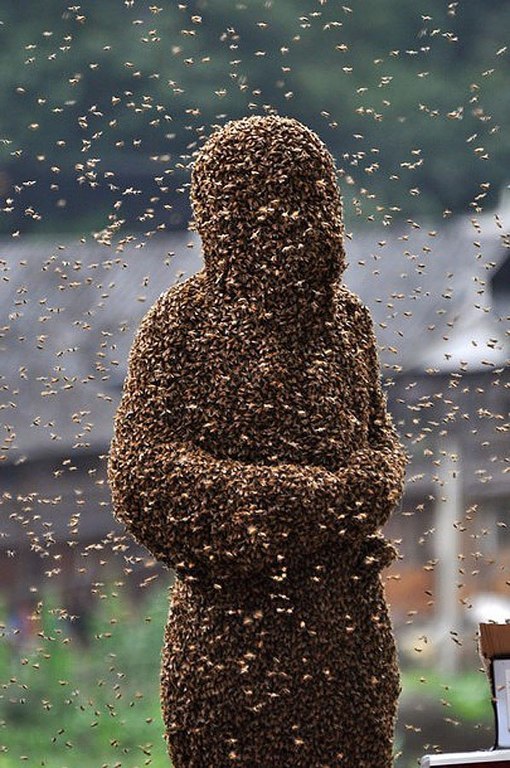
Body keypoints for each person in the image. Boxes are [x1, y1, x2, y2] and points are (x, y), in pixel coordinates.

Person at [108, 114, 408, 767]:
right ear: (225, 216)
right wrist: (315, 499)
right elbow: (146, 477)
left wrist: (372, 481)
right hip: (230, 661)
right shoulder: (183, 324)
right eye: (282, 201)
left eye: (314, 197)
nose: (303, 220)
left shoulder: (348, 323)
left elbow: (379, 449)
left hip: (349, 654)